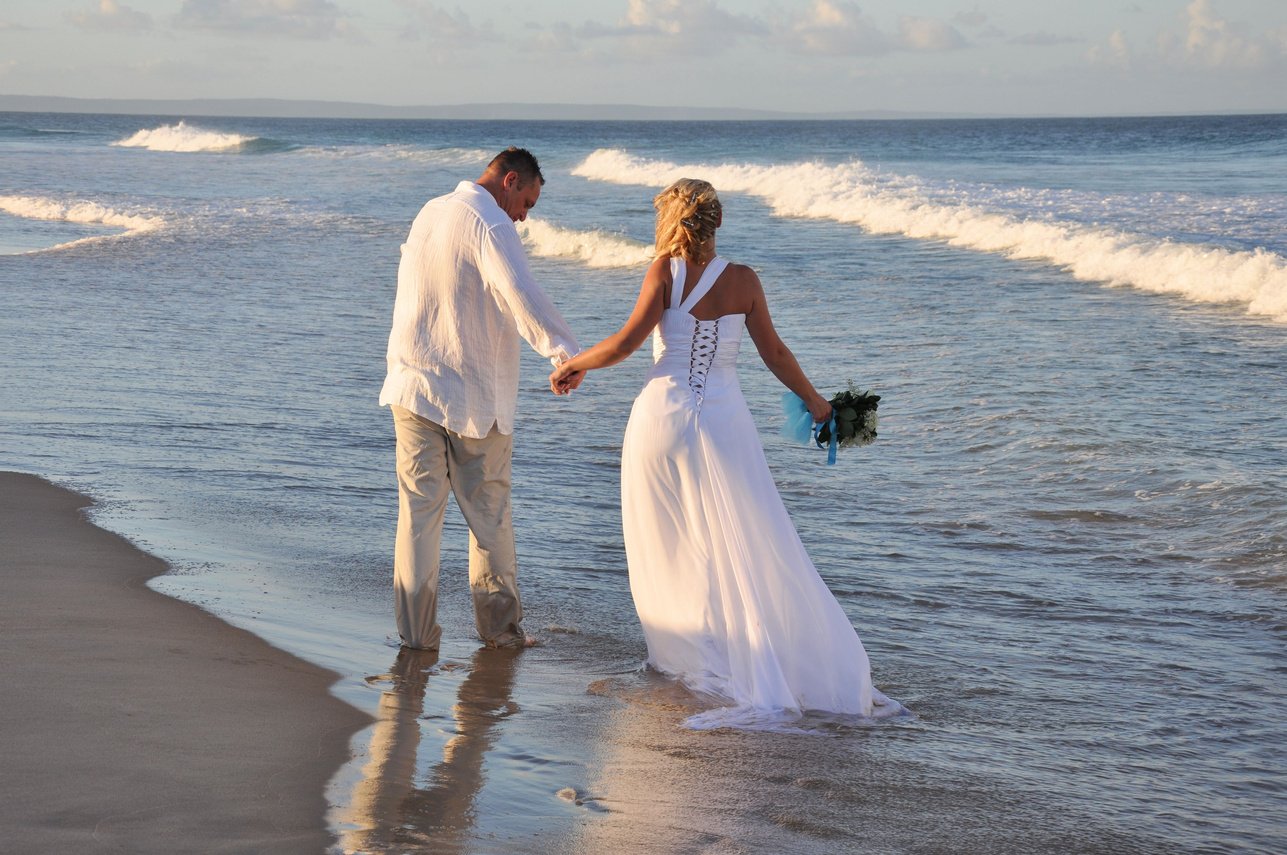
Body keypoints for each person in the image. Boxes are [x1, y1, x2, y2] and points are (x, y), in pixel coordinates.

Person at [550, 179, 900, 728]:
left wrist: (575, 364)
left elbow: (623, 344)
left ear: (670, 220)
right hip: (724, 421)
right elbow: (776, 353)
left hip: (661, 419)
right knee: (750, 537)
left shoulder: (664, 272)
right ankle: (753, 656)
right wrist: (819, 404)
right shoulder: (745, 280)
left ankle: (689, 659)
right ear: (718, 222)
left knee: (671, 542)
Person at [379, 147, 582, 650]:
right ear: (509, 181)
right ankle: (500, 633)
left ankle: (416, 637)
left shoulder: (430, 210)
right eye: (527, 202)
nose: (525, 215)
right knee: (489, 519)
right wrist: (565, 355)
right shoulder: (490, 223)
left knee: (418, 518)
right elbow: (521, 291)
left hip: (411, 384)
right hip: (472, 395)